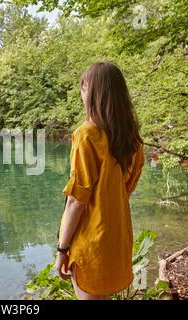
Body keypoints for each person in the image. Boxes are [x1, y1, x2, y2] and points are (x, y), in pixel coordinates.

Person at [54, 61, 145, 300]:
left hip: (91, 241)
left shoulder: (87, 135)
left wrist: (61, 249)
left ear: (93, 93)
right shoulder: (132, 139)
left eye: (83, 89)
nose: (81, 95)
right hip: (117, 238)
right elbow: (126, 190)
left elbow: (77, 202)